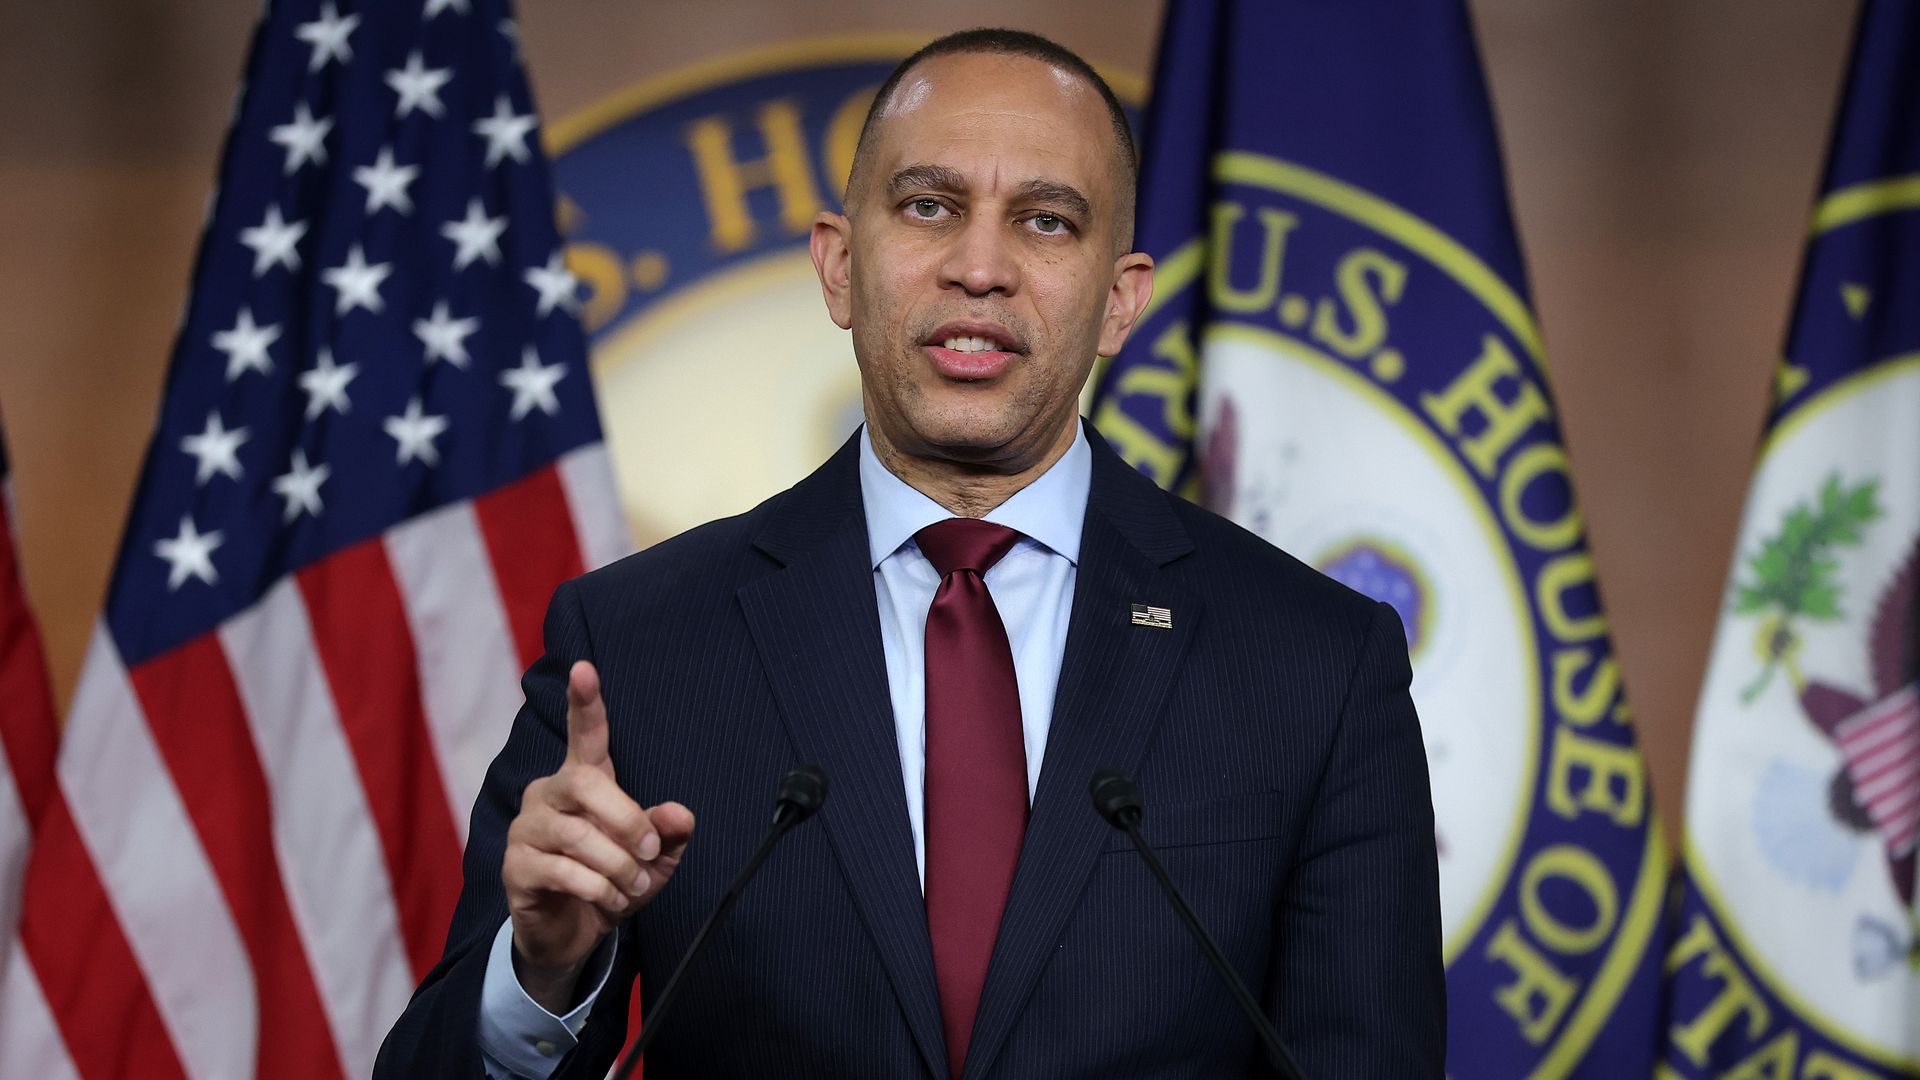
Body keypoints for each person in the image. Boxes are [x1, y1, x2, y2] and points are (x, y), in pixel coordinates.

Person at [376, 27, 1444, 1080]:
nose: (980, 268)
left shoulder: (1316, 665)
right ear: (840, 267)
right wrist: (545, 974)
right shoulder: (639, 646)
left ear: (1121, 303)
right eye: (929, 207)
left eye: (1046, 221)